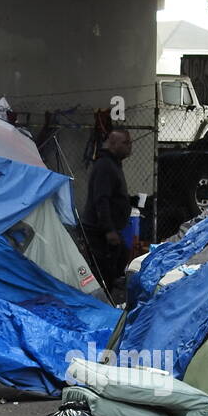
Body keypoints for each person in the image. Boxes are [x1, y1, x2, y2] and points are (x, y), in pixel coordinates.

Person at [80, 127, 134, 298]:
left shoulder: (114, 164)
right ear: (113, 144)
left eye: (130, 142)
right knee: (104, 270)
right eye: (125, 143)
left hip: (109, 230)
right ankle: (102, 300)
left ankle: (109, 296)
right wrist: (109, 229)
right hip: (99, 232)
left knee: (121, 259)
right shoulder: (105, 166)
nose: (130, 146)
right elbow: (101, 200)